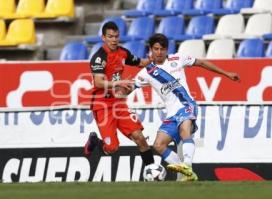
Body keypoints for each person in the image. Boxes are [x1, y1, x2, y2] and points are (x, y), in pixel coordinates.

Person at [133, 33, 240, 181]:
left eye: (162, 49)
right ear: (151, 50)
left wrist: (226, 73)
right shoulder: (146, 72)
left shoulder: (178, 58)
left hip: (186, 104)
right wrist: (116, 86)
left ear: (166, 49)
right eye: (156, 49)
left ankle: (187, 165)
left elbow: (201, 63)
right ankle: (186, 172)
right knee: (159, 145)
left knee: (185, 131)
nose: (159, 52)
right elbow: (129, 87)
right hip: (171, 113)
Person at [84, 21, 155, 167]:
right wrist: (118, 83)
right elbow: (98, 83)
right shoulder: (99, 58)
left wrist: (152, 60)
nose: (114, 40)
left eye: (116, 36)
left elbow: (140, 62)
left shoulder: (123, 52)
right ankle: (96, 142)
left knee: (140, 138)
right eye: (110, 37)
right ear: (103, 38)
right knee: (112, 148)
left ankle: (152, 170)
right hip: (102, 105)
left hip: (119, 103)